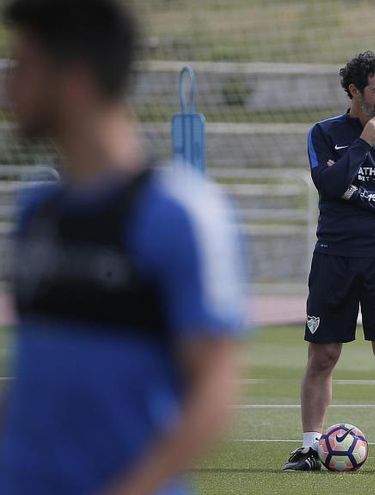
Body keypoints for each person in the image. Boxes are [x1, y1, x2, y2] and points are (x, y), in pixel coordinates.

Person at [0, 1, 248, 494]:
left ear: (74, 79)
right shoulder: (37, 211)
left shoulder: (181, 214)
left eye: (23, 66)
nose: (9, 84)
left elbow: (216, 391)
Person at [283, 51, 375, 474]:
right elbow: (327, 183)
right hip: (334, 256)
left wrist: (359, 196)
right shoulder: (324, 133)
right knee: (322, 354)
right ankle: (309, 446)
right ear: (354, 91)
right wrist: (362, 145)